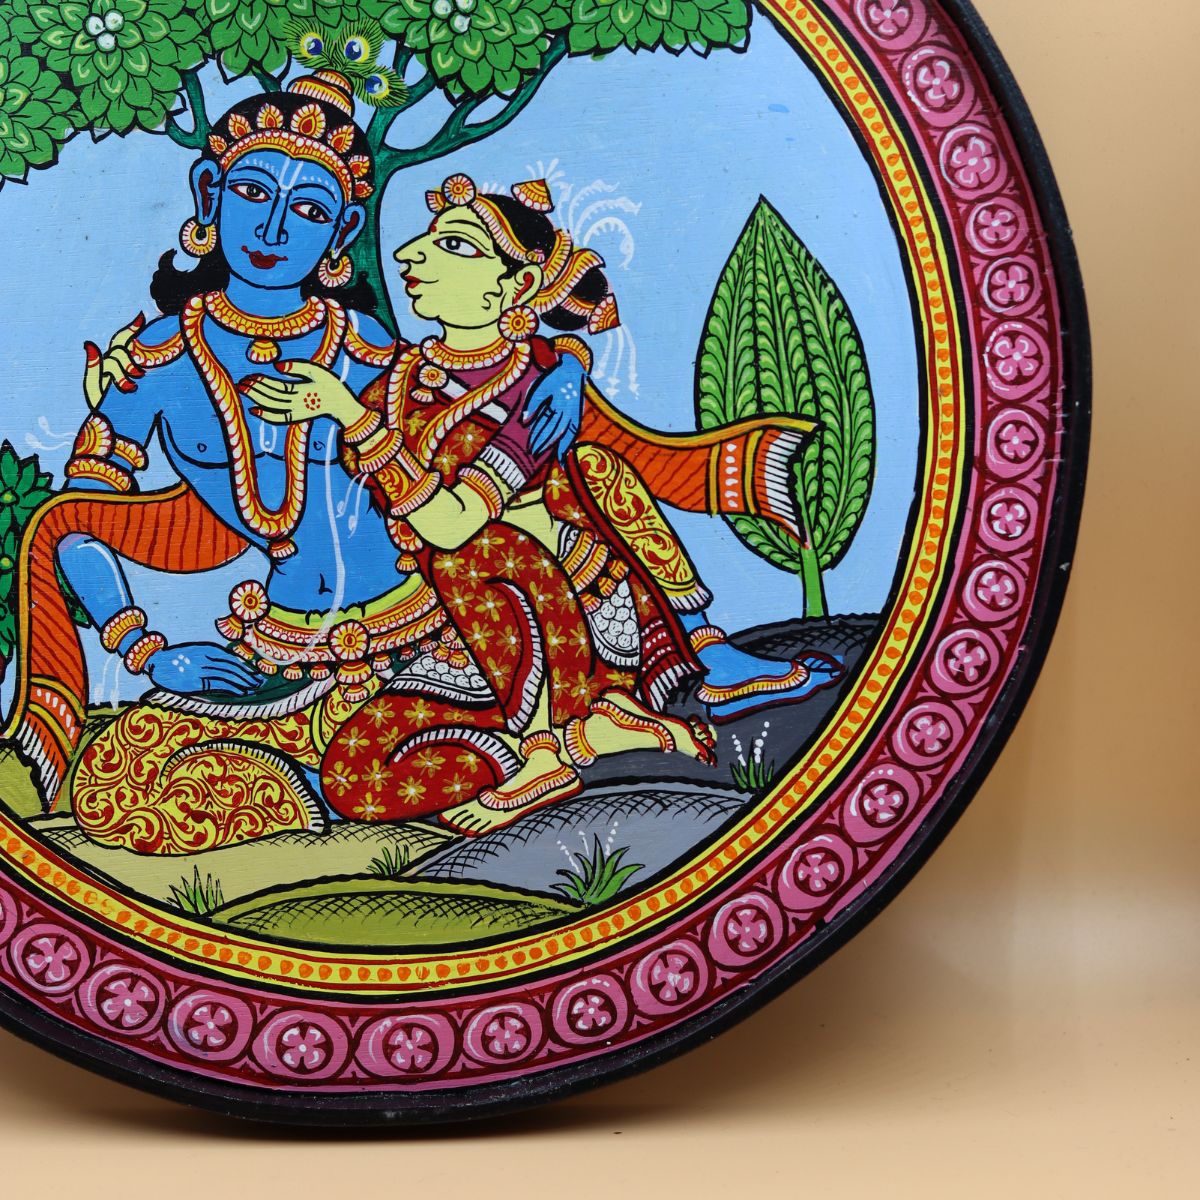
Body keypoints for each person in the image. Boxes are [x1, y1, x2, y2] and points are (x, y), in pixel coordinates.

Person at [0, 74, 587, 853]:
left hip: (424, 634)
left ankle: (455, 763)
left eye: (309, 210)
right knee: (117, 786)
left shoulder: (371, 350)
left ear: (342, 231)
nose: (274, 228)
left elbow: (492, 371)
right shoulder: (154, 363)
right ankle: (320, 784)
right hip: (274, 649)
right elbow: (79, 523)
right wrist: (146, 649)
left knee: (349, 772)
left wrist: (568, 364)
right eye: (252, 193)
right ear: (209, 194)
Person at [240, 174, 841, 835]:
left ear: (516, 286)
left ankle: (553, 748)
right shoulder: (401, 379)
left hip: (557, 619)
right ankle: (592, 735)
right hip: (465, 635)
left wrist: (353, 418)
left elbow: (452, 525)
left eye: (455, 246)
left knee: (487, 540)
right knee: (354, 777)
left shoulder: (535, 388)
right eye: (428, 240)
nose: (412, 254)